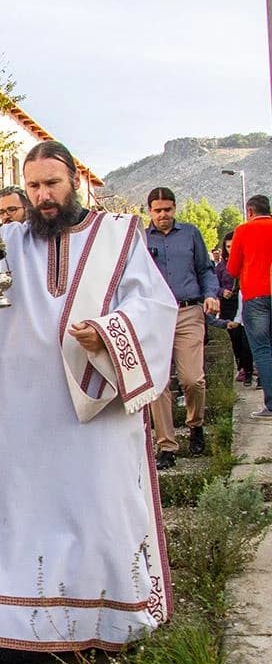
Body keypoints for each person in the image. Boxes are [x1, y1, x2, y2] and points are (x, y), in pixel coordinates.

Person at [0, 137, 177, 664]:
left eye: (52, 185)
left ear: (76, 183)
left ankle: (112, 649)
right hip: (13, 420)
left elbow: (154, 308)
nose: (43, 197)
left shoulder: (118, 239)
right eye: (34, 186)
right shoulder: (7, 243)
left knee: (100, 523)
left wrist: (112, 333)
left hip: (92, 416)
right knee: (15, 535)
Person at [143, 187, 219, 469]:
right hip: (155, 315)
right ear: (149, 211)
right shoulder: (140, 239)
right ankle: (166, 446)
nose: (163, 215)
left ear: (175, 209)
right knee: (159, 383)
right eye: (158, 210)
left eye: (168, 209)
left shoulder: (190, 233)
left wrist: (210, 294)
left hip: (189, 310)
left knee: (192, 379)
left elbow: (205, 269)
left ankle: (195, 425)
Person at [228, 194, 272, 419]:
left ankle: (271, 404)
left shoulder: (243, 231)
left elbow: (232, 269)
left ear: (250, 212)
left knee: (263, 350)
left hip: (255, 296)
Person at [214, 231, 255, 386]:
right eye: (228, 246)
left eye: (233, 246)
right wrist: (222, 292)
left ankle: (249, 368)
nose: (231, 249)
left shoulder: (245, 261)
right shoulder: (221, 267)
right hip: (228, 304)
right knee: (235, 338)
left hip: (244, 299)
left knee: (246, 337)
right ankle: (241, 365)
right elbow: (214, 284)